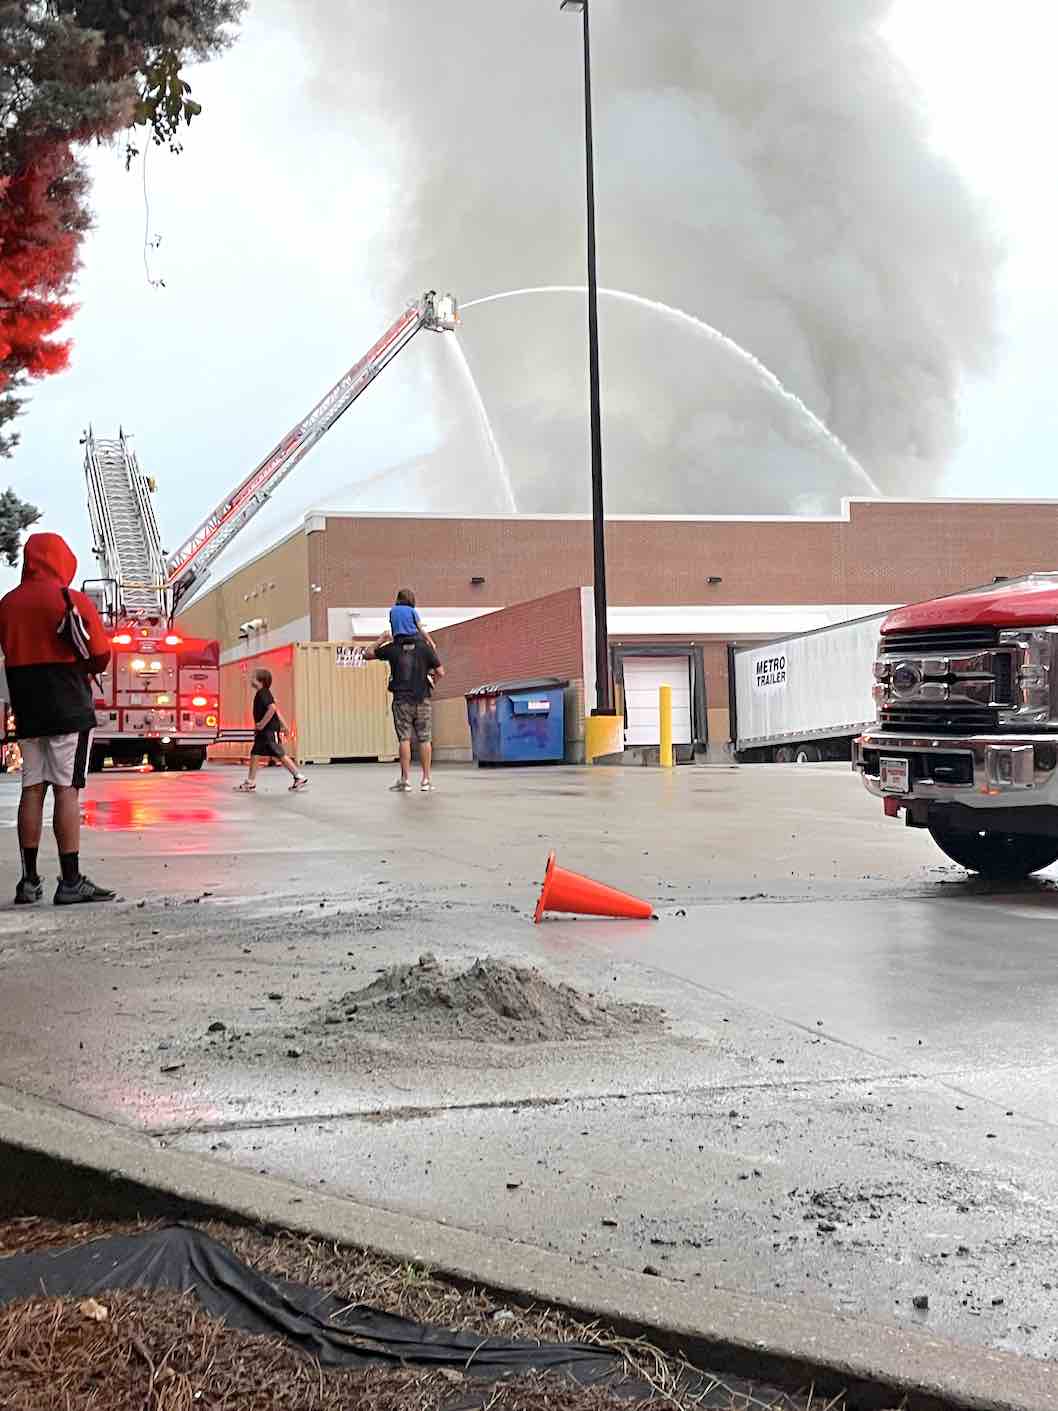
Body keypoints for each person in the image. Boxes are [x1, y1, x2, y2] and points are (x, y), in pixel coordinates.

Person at [0, 532, 115, 905]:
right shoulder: (72, 600)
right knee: (67, 789)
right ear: (61, 559)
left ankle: (28, 881)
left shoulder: (7, 605)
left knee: (31, 788)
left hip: (28, 708)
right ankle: (70, 881)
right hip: (68, 705)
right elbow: (99, 654)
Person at [369, 630, 444, 792]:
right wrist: (431, 683)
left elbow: (367, 654)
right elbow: (440, 672)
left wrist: (381, 639)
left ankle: (405, 780)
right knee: (425, 739)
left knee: (404, 738)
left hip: (401, 700)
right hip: (422, 699)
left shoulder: (393, 648)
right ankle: (426, 780)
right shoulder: (424, 647)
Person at [234, 668, 308, 793]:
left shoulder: (263, 693)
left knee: (279, 754)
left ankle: (299, 777)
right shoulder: (262, 693)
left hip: (268, 731)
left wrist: (262, 724)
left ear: (260, 681)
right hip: (264, 732)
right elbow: (275, 710)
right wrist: (284, 726)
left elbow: (272, 708)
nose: (251, 679)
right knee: (255, 753)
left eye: (253, 677)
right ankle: (250, 782)